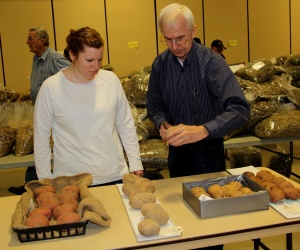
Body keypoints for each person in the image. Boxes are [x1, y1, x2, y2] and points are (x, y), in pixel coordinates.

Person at [147, 4, 249, 248]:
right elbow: (154, 106)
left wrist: (203, 130)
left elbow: (240, 110)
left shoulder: (212, 63)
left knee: (211, 226)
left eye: (180, 38)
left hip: (208, 156)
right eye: (168, 40)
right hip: (177, 155)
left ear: (193, 31)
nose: (174, 46)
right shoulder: (160, 65)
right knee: (182, 222)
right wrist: (162, 123)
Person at [33, 27, 143, 186]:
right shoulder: (51, 88)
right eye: (89, 60)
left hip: (114, 175)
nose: (96, 66)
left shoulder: (111, 81)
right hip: (71, 180)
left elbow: (125, 124)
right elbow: (41, 137)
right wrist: (44, 178)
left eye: (100, 59)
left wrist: (135, 162)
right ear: (72, 55)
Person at [8, 27, 71, 195]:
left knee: (45, 146)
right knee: (36, 145)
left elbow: (72, 75)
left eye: (30, 38)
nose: (27, 42)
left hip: (54, 113)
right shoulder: (36, 59)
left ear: (41, 41)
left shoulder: (55, 58)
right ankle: (30, 184)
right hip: (38, 110)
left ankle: (49, 183)